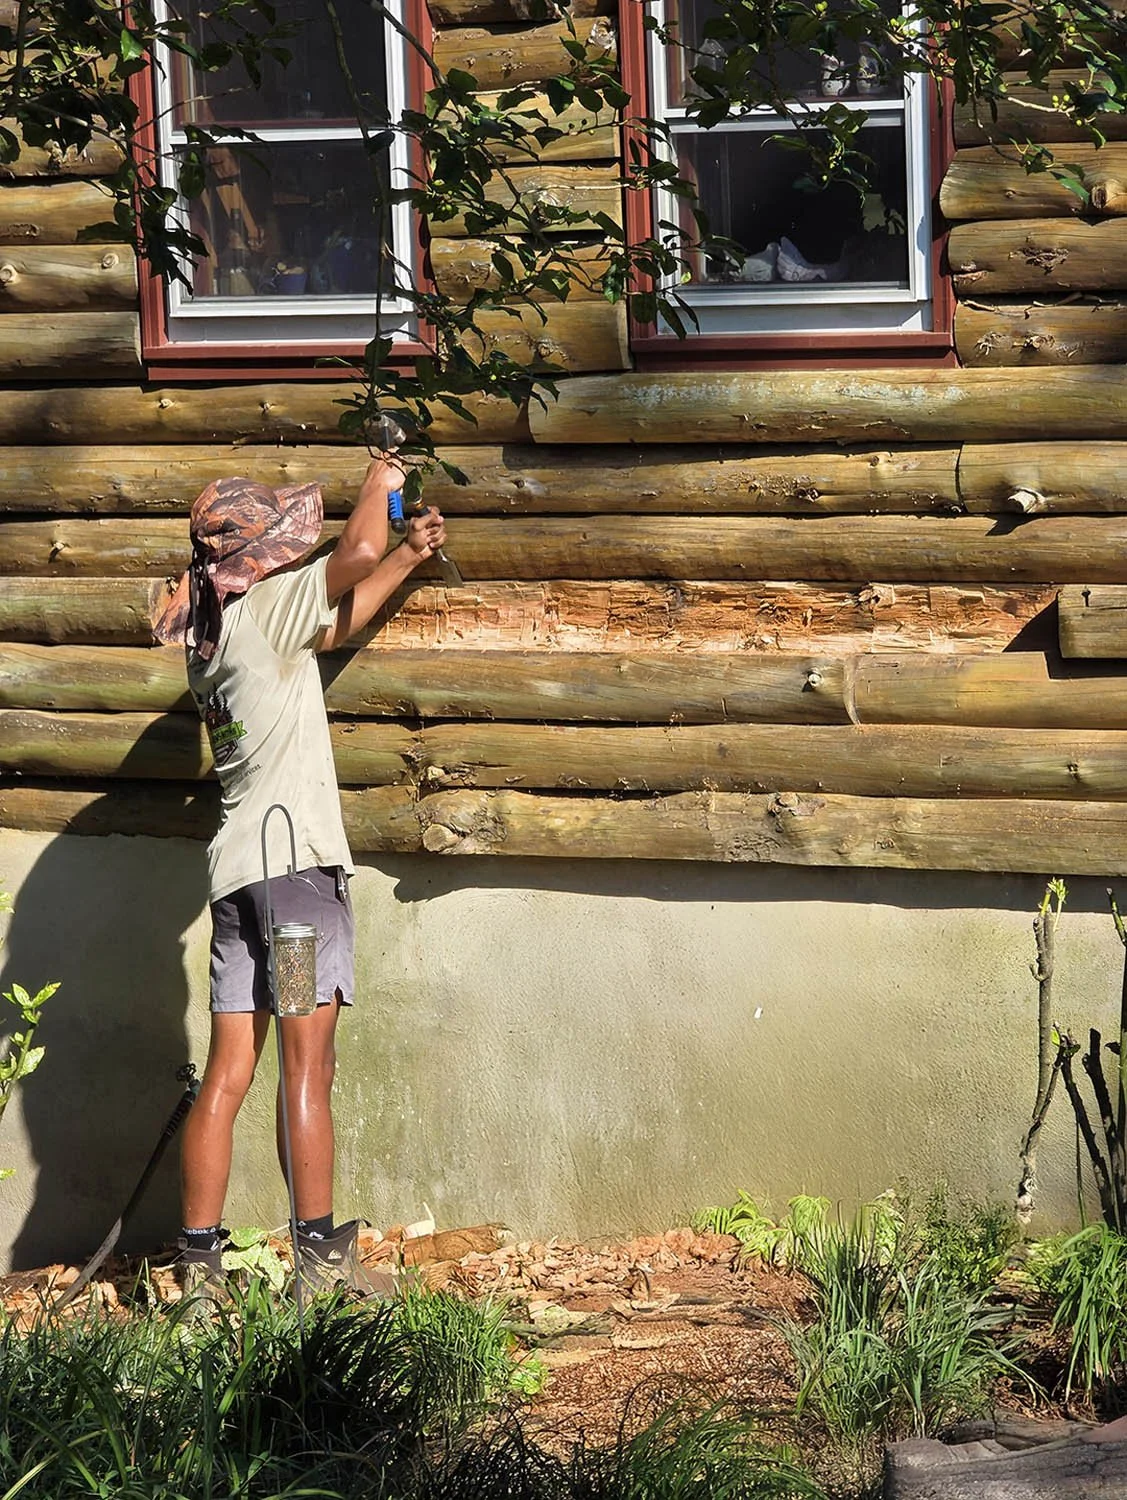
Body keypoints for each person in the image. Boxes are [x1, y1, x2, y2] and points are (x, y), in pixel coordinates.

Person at [153, 458, 445, 1296]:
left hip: (237, 883)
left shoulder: (214, 640)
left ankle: (200, 1268)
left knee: (229, 1071)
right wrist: (378, 482)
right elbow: (351, 552)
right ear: (258, 558)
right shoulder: (268, 606)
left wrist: (405, 557)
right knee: (306, 1068)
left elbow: (332, 622)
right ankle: (319, 1265)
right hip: (295, 889)